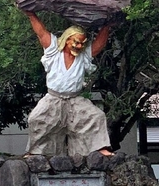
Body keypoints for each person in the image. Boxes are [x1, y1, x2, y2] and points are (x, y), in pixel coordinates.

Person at [23, 10, 113, 157]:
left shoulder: (83, 56)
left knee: (96, 116)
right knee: (37, 119)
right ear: (66, 39)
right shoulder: (53, 51)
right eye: (76, 42)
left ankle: (98, 149)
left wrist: (107, 25)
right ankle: (36, 152)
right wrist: (31, 14)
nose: (78, 46)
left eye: (82, 43)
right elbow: (41, 33)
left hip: (75, 100)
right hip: (53, 98)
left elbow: (98, 45)